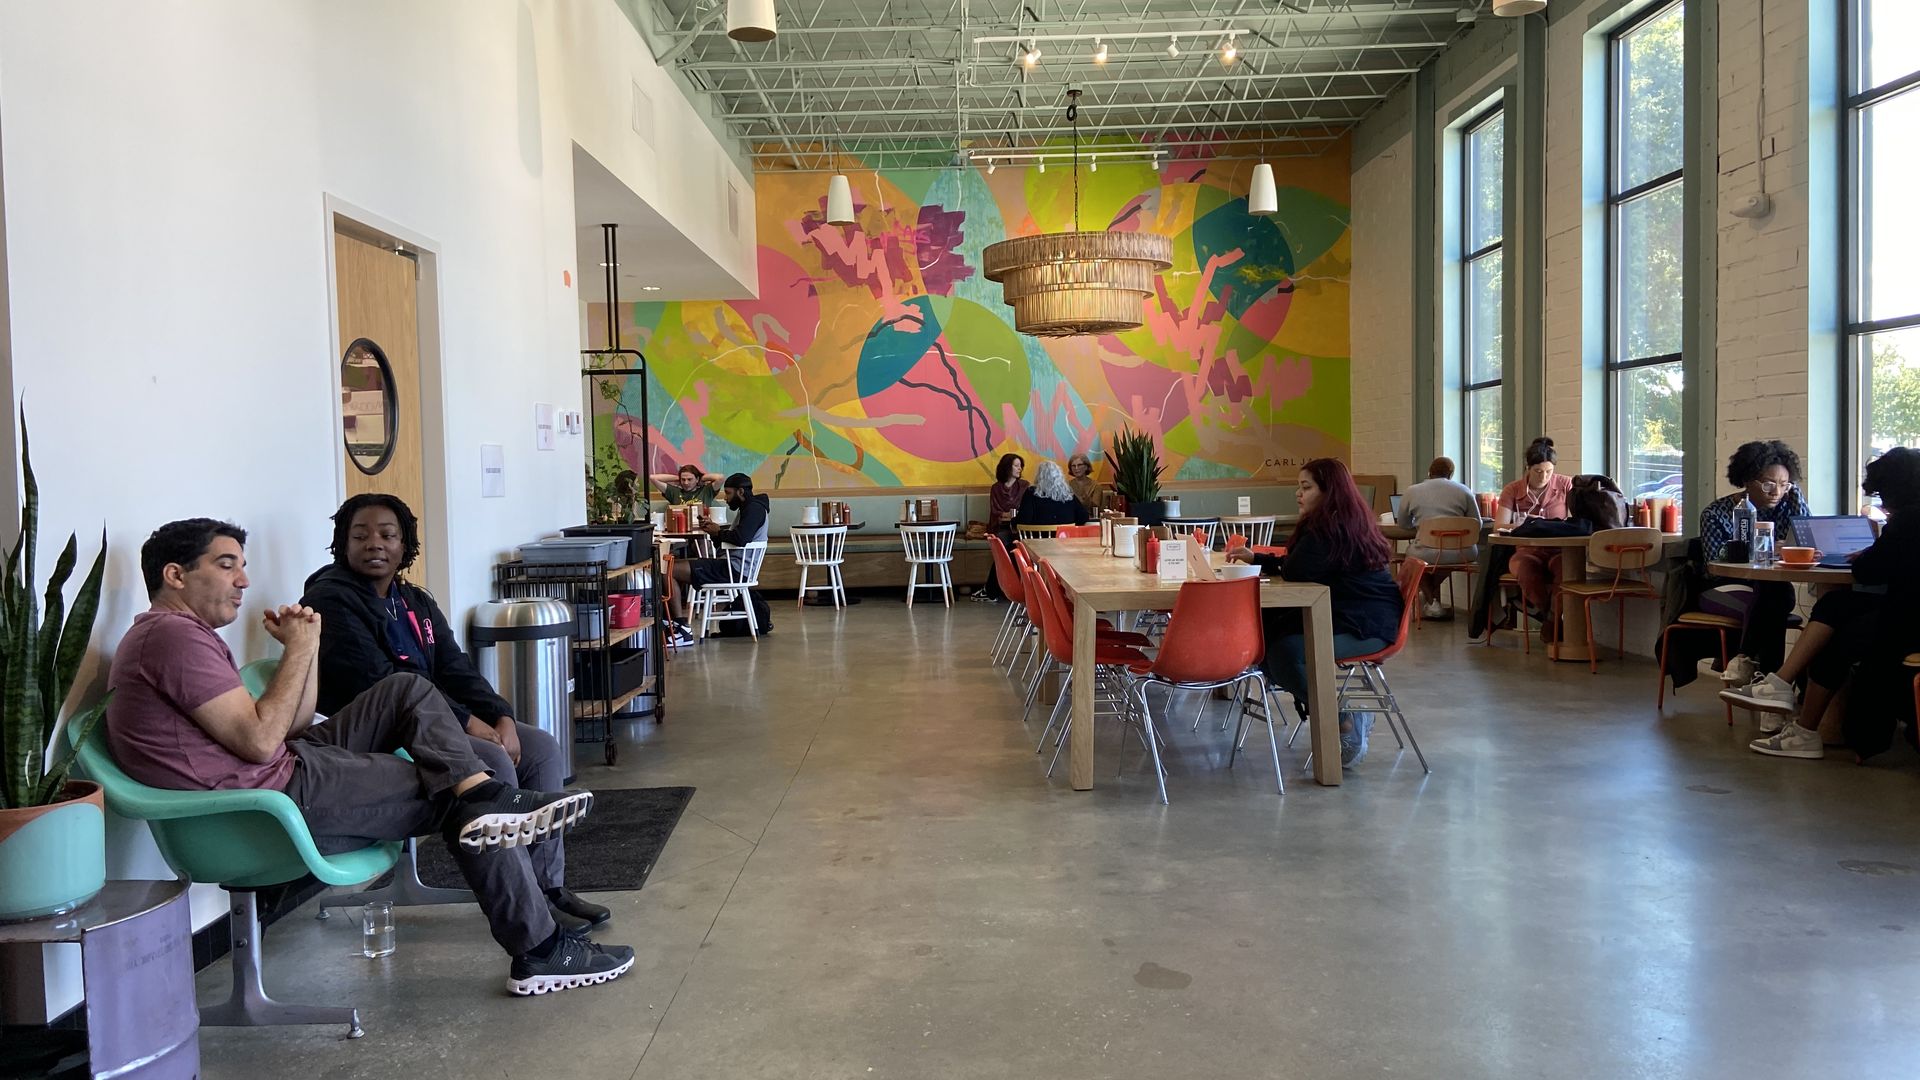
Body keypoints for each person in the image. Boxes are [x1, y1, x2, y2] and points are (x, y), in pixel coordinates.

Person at [105, 519, 634, 995]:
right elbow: (264, 742)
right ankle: (540, 949)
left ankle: (484, 795)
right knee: (451, 795)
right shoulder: (173, 638)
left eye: (243, 567)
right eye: (227, 566)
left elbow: (287, 725)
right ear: (175, 575)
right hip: (267, 799)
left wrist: (306, 646)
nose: (243, 581)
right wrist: (296, 653)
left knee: (406, 689)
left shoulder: (179, 635)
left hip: (278, 766)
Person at [300, 494, 608, 934]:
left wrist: (499, 714)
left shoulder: (413, 601)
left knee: (540, 747)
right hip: (385, 732)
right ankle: (527, 909)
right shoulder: (331, 600)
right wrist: (469, 723)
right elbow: (379, 680)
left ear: (405, 545)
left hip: (438, 717)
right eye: (360, 536)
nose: (375, 544)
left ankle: (547, 888)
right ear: (341, 544)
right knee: (493, 760)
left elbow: (454, 667)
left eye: (388, 535)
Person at [1723, 447, 1920, 760]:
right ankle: (1781, 686)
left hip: (1908, 626)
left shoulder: (1908, 520)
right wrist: (1875, 551)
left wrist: (1867, 554)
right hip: (1907, 615)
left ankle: (1801, 725)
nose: (1882, 503)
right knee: (1836, 606)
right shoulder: (1910, 519)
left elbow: (1869, 570)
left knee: (1837, 637)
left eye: (1882, 494)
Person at [1228, 459, 1402, 767]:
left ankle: (1344, 720)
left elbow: (1297, 568)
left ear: (1329, 491)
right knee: (1267, 644)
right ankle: (1339, 714)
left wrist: (1267, 559)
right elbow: (1302, 566)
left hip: (1367, 626)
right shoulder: (1335, 521)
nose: (1298, 493)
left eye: (1306, 487)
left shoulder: (1330, 527)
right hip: (1346, 614)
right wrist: (1258, 557)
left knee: (1283, 652)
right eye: (1299, 486)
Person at [1695, 440, 1811, 685]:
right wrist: (1762, 549)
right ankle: (1772, 689)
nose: (1776, 492)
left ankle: (1746, 662)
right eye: (1769, 484)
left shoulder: (1785, 505)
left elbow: (1807, 535)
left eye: (1784, 484)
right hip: (1722, 588)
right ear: (1747, 480)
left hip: (1769, 588)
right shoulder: (1716, 513)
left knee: (1774, 593)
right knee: (1777, 602)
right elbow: (1714, 563)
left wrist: (1796, 494)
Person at [666, 472, 770, 641]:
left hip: (735, 570)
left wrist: (718, 532)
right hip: (729, 566)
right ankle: (675, 624)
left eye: (728, 493)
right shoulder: (749, 508)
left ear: (741, 492)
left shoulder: (754, 509)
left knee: (669, 569)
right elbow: (735, 537)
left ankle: (681, 629)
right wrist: (715, 532)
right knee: (671, 566)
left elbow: (741, 539)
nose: (726, 498)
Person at [1397, 456, 1482, 621]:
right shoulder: (1464, 490)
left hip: (1427, 552)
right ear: (1451, 474)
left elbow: (1403, 523)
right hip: (1462, 552)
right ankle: (1433, 603)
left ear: (1429, 472)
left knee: (1414, 561)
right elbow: (1476, 524)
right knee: (1444, 559)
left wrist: (1420, 526)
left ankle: (1431, 601)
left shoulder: (1412, 491)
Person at [1501, 437, 1575, 621]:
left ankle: (1553, 618)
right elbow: (1500, 525)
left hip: (1558, 550)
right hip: (1527, 550)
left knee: (1568, 571)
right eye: (1538, 471)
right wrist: (1527, 525)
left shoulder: (1566, 485)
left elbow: (1578, 520)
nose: (1543, 477)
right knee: (1526, 572)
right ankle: (1545, 613)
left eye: (1549, 471)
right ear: (1528, 467)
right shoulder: (1512, 490)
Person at [972, 453, 1030, 602]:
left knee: (1020, 547)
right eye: (1016, 466)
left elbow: (1025, 510)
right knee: (1002, 549)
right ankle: (998, 589)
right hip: (1002, 528)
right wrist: (1011, 515)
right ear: (1007, 467)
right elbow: (996, 513)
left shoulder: (1025, 486)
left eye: (1020, 466)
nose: (1020, 468)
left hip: (1020, 527)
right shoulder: (996, 488)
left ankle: (996, 589)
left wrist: (1012, 515)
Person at [1016, 461, 1091, 528]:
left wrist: (1013, 522)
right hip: (1065, 540)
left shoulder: (1031, 492)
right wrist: (1069, 526)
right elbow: (1084, 516)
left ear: (1039, 476)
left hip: (1038, 541)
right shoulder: (1067, 493)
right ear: (1059, 476)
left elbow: (1024, 520)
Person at [650, 463, 722, 507]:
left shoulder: (706, 491)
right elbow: (652, 478)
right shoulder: (674, 492)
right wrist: (677, 478)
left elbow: (720, 478)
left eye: (690, 479)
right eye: (683, 479)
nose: (686, 483)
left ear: (696, 479)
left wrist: (701, 479)